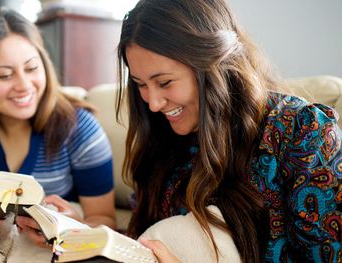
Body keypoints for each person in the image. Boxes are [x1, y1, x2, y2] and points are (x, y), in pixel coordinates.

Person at [116, 0, 341, 262]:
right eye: (140, 84)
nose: (153, 104)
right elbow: (145, 240)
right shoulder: (161, 138)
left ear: (213, 65)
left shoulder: (304, 133)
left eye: (164, 82)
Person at [0, 10, 116, 244]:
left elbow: (105, 220)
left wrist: (74, 227)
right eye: (5, 75)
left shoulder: (80, 129)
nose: (24, 85)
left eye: (32, 68)